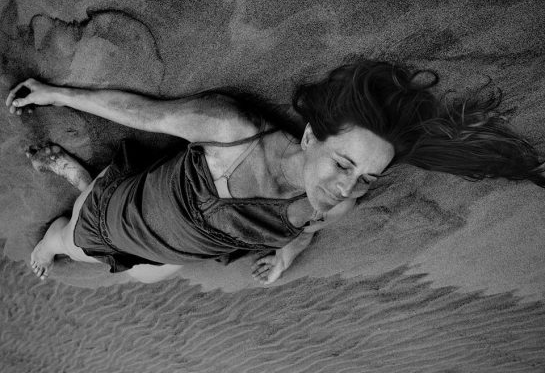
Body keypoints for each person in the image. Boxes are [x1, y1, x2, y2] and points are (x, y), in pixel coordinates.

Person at [6, 59, 545, 284]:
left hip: (182, 249)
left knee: (147, 273)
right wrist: (56, 93)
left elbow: (308, 227)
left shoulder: (336, 201)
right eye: (343, 163)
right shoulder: (231, 131)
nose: (346, 187)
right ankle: (78, 192)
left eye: (366, 178)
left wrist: (287, 254)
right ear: (311, 136)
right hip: (126, 215)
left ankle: (90, 186)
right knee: (73, 240)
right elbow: (140, 113)